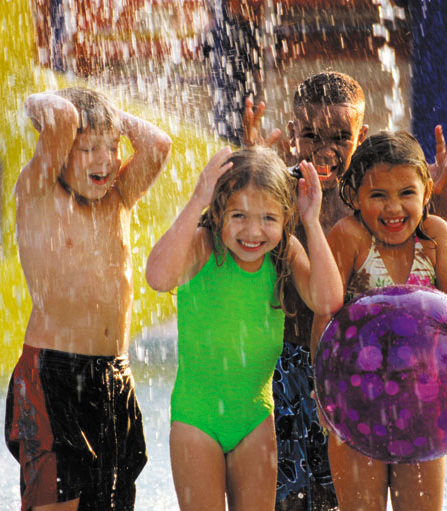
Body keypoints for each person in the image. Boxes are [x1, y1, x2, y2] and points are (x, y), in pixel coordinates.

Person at [242, 71, 447, 510]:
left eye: (340, 137)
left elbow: (419, 246)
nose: (324, 149)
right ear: (291, 135)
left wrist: (439, 193)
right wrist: (254, 168)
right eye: (309, 135)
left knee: (337, 494)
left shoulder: (365, 198)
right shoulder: (281, 190)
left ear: (361, 136)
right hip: (285, 364)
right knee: (286, 494)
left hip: (351, 368)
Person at [145, 146, 344, 511]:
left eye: (268, 218)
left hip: (254, 419)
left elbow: (328, 300)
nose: (253, 232)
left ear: (286, 217)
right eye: (239, 215)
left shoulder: (284, 251)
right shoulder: (206, 246)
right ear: (218, 211)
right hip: (196, 421)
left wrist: (311, 221)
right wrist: (196, 202)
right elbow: (157, 276)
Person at [4, 87, 172, 511]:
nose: (106, 160)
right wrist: (36, 104)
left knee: (112, 501)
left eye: (113, 147)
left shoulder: (118, 200)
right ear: (59, 153)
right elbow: (60, 117)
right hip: (54, 376)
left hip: (114, 375)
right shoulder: (39, 191)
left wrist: (112, 116)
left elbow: (157, 145)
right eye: (89, 149)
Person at [310, 130, 447, 510]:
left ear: (426, 194)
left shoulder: (434, 236)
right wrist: (324, 391)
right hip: (356, 400)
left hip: (425, 404)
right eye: (378, 196)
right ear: (356, 197)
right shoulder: (350, 236)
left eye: (406, 193)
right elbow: (325, 314)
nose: (393, 209)